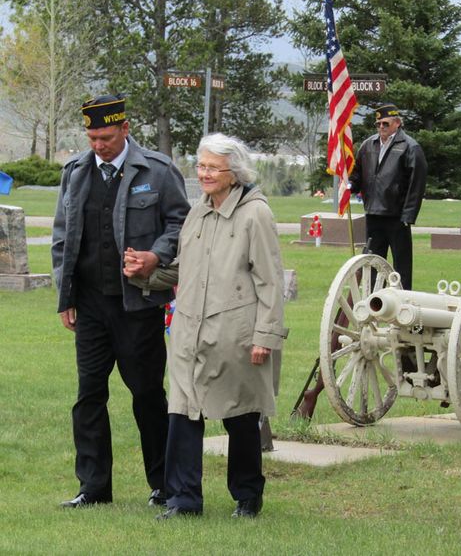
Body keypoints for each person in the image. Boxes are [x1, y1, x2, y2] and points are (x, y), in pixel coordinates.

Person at [124, 132, 288, 520]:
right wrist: (145, 273)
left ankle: (247, 496)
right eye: (201, 166)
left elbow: (270, 280)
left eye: (214, 167)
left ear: (235, 173)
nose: (205, 174)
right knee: (182, 414)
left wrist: (265, 336)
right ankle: (184, 501)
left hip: (234, 335)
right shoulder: (197, 212)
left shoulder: (255, 214)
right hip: (188, 332)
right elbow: (185, 268)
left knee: (240, 415)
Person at [51, 94, 190, 508]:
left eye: (106, 137)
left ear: (125, 129)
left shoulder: (159, 171)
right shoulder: (75, 172)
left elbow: (181, 222)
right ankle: (93, 488)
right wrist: (66, 296)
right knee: (89, 395)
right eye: (92, 137)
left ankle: (164, 484)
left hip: (139, 306)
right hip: (90, 306)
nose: (99, 145)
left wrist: (156, 255)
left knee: (147, 394)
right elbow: (62, 237)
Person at [349, 103, 427, 290]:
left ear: (397, 123)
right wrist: (349, 185)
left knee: (401, 263)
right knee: (373, 261)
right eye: (378, 124)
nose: (381, 128)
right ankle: (374, 298)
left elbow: (417, 184)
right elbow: (357, 174)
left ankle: (404, 299)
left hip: (397, 215)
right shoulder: (368, 145)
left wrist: (408, 215)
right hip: (373, 212)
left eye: (385, 123)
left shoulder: (410, 147)